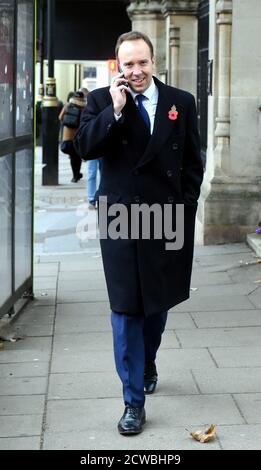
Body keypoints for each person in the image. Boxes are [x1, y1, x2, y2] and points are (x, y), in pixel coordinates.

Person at [74, 31, 203, 435]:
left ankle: (147, 360)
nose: (136, 71)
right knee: (126, 308)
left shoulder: (180, 102)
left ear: (154, 60)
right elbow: (84, 148)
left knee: (158, 304)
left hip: (165, 217)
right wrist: (113, 111)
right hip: (121, 219)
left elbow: (193, 164)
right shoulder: (100, 101)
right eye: (128, 64)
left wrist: (185, 208)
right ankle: (133, 402)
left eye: (142, 62)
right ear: (118, 65)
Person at [59, 91, 86, 182]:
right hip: (77, 137)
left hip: (67, 137)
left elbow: (60, 117)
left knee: (73, 157)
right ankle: (76, 174)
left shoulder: (68, 105)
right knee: (77, 157)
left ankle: (75, 175)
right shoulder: (84, 107)